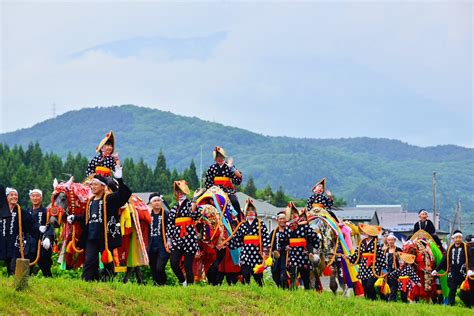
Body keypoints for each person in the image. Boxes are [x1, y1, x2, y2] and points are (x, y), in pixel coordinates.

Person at [69, 164, 132, 281]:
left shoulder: (110, 199)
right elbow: (88, 218)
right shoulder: (91, 201)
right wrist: (75, 218)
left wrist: (119, 179)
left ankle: (109, 283)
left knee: (108, 262)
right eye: (91, 184)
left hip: (105, 237)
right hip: (91, 236)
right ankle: (86, 283)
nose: (92, 187)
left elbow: (124, 195)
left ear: (103, 187)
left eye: (95, 184)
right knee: (90, 261)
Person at [228, 199, 270, 286]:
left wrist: (265, 250)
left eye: (252, 210)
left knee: (258, 275)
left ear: (255, 212)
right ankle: (247, 286)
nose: (250, 212)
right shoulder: (242, 225)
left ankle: (260, 288)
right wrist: (229, 243)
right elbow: (238, 238)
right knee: (245, 272)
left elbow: (265, 236)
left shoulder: (260, 223)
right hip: (246, 252)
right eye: (248, 211)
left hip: (257, 252)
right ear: (245, 213)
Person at [167, 180, 201, 286]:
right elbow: (170, 225)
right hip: (177, 238)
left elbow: (194, 215)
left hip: (189, 237)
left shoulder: (191, 204)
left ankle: (190, 287)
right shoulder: (174, 208)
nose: (179, 193)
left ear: (185, 192)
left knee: (187, 265)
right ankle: (183, 282)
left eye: (181, 191)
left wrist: (195, 199)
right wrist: (169, 239)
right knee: (173, 263)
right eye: (177, 191)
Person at [279, 206, 320, 290]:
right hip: (293, 252)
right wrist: (285, 246)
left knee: (305, 274)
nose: (294, 216)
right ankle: (293, 289)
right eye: (291, 215)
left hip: (303, 252)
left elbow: (314, 238)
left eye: (295, 214)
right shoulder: (288, 228)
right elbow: (283, 240)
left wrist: (311, 250)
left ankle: (307, 289)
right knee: (293, 272)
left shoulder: (306, 228)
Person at [345, 224, 386, 300]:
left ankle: (374, 299)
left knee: (370, 285)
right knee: (364, 285)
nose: (364, 233)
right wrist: (348, 257)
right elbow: (357, 255)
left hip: (373, 266)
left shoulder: (376, 243)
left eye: (366, 232)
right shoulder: (361, 243)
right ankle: (368, 300)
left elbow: (381, 256)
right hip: (364, 266)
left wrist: (383, 269)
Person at [432, 230, 471, 306]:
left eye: (460, 237)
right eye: (456, 237)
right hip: (452, 274)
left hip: (463, 273)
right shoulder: (450, 248)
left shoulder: (466, 248)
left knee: (464, 292)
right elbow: (443, 260)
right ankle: (451, 305)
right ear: (453, 239)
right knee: (452, 291)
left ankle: (469, 305)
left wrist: (470, 269)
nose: (458, 239)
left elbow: (471, 259)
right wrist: (436, 270)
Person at [0, 187, 34, 275]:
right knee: (8, 263)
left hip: (17, 244)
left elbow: (31, 226)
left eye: (16, 195)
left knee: (13, 266)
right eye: (11, 195)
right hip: (4, 243)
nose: (14, 197)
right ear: (6, 197)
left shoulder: (22, 212)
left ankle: (16, 281)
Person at [204, 146, 243, 219]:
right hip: (215, 191)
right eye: (217, 156)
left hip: (227, 190)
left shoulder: (229, 167)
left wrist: (231, 168)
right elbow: (208, 182)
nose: (219, 158)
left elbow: (237, 180)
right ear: (215, 158)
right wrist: (214, 189)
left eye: (221, 156)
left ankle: (239, 219)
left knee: (234, 201)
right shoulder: (211, 168)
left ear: (224, 157)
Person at [27, 189, 55, 277]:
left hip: (41, 244)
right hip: (30, 245)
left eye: (37, 196)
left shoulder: (46, 211)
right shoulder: (27, 212)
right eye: (33, 196)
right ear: (30, 198)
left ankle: (51, 287)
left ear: (41, 198)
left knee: (46, 269)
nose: (35, 198)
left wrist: (48, 238)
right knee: (27, 269)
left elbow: (50, 226)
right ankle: (22, 287)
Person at [147, 192, 170, 286]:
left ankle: (163, 282)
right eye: (155, 201)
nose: (157, 203)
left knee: (160, 267)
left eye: (158, 200)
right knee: (153, 267)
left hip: (163, 245)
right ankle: (157, 284)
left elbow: (170, 229)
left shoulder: (166, 214)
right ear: (151, 203)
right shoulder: (148, 214)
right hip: (151, 244)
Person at [270, 211, 288, 288]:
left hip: (286, 256)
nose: (282, 220)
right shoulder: (274, 232)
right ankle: (279, 289)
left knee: (284, 275)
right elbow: (270, 244)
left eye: (284, 218)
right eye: (280, 219)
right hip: (276, 257)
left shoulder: (289, 231)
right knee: (275, 274)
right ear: (277, 220)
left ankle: (286, 289)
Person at [383, 233, 401, 301]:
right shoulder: (385, 250)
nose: (390, 241)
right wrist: (384, 271)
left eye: (392, 240)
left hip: (395, 270)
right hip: (387, 270)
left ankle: (392, 299)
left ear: (395, 241)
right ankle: (387, 298)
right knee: (387, 284)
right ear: (387, 241)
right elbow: (382, 262)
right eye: (389, 240)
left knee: (394, 285)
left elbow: (401, 261)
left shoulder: (398, 249)